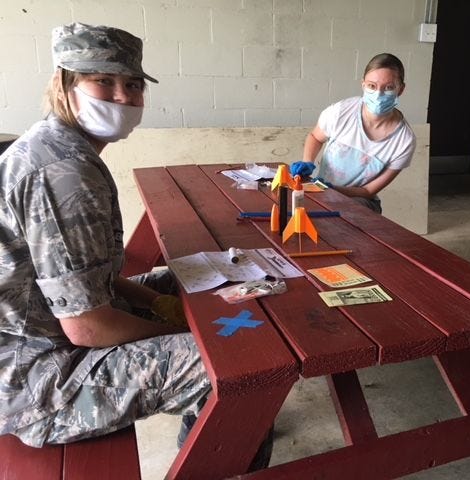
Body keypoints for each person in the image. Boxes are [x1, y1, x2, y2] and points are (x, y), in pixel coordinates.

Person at [0, 22, 272, 469]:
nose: (123, 96)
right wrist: (187, 333)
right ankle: (215, 461)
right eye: (103, 81)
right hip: (38, 380)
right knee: (243, 365)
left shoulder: (62, 149)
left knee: (196, 279)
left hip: (51, 333)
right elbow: (87, 328)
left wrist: (158, 300)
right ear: (66, 84)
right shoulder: (63, 171)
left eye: (133, 84)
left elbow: (92, 283)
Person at [291, 53, 417, 213]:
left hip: (359, 200)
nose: (378, 94)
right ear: (363, 85)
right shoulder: (341, 112)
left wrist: (333, 190)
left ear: (401, 89)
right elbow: (315, 137)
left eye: (389, 87)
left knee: (350, 216)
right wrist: (308, 162)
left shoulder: (404, 141)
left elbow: (367, 191)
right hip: (320, 192)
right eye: (372, 86)